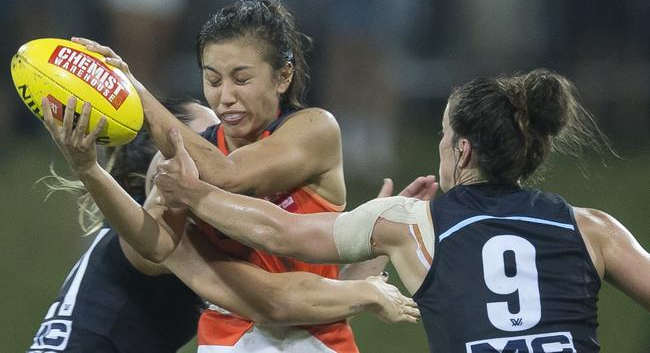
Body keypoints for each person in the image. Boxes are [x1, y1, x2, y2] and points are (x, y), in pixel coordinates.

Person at [154, 68, 650, 352]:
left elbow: (282, 232)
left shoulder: (411, 224)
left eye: (443, 134)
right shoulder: (593, 228)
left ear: (463, 151)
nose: (439, 144)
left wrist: (196, 195)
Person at [69, 0, 435, 352]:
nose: (225, 96)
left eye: (241, 79)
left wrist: (136, 94)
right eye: (212, 80)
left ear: (283, 76)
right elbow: (157, 245)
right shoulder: (188, 155)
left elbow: (229, 176)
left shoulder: (314, 130)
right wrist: (90, 169)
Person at [38, 95, 424, 351]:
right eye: (201, 141)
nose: (217, 146)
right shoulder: (158, 239)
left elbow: (303, 306)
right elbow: (276, 303)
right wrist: (368, 293)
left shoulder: (197, 229)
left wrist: (376, 243)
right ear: (158, 170)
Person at [28, 98, 214, 353]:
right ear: (162, 158)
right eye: (208, 139)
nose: (220, 147)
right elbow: (152, 248)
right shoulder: (150, 236)